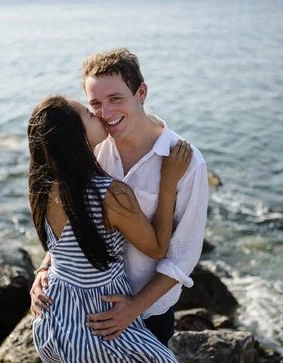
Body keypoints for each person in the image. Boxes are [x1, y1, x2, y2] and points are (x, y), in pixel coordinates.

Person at [28, 95, 204, 363]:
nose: (97, 114)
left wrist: (42, 269)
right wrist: (167, 183)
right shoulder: (110, 195)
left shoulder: (42, 188)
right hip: (100, 321)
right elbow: (159, 247)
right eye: (87, 112)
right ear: (76, 135)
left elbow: (64, 246)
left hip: (51, 319)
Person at [31, 48, 209, 346]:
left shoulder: (186, 163)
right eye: (96, 104)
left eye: (116, 99)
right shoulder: (91, 148)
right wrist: (45, 268)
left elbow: (182, 257)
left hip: (148, 313)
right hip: (91, 310)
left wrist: (134, 308)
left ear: (141, 92)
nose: (107, 113)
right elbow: (74, 221)